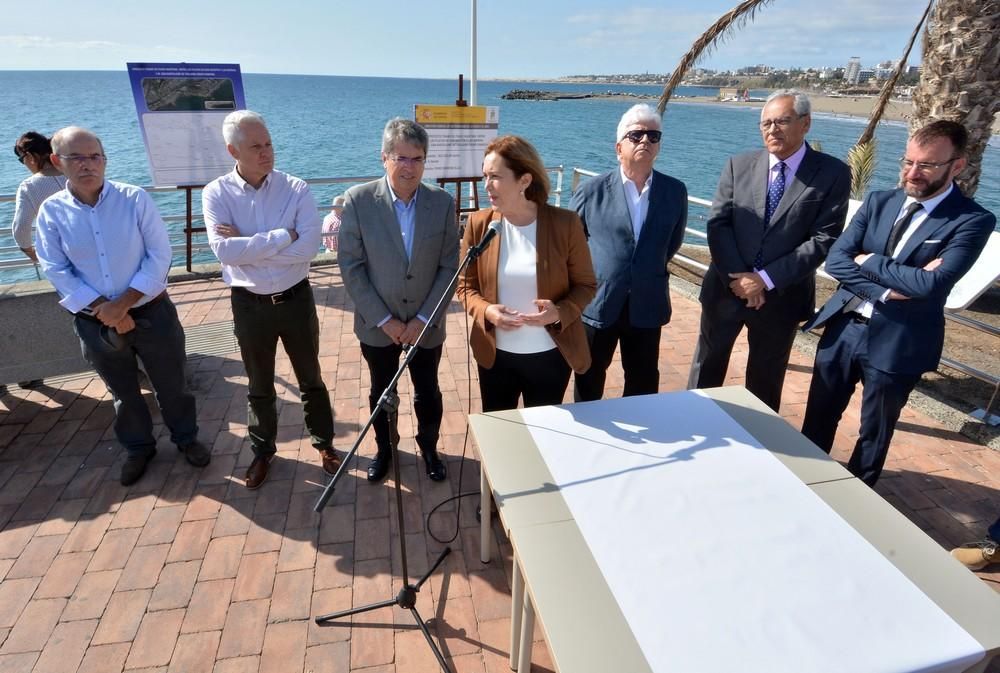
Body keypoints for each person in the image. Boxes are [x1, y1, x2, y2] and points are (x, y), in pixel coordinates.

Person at [800, 120, 995, 487]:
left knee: (874, 431)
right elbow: (838, 259)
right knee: (818, 415)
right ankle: (805, 481)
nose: (913, 173)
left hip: (900, 340)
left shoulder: (972, 220)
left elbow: (932, 283)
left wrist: (868, 260)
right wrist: (886, 290)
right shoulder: (879, 201)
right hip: (844, 327)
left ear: (957, 165)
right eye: (907, 162)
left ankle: (858, 496)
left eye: (927, 165)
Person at [34, 126, 209, 485]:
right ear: (56, 162)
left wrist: (124, 304)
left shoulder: (134, 198)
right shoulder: (51, 212)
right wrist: (105, 309)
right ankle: (138, 447)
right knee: (122, 392)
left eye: (95, 156)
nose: (88, 165)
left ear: (104, 159)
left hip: (151, 312)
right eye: (76, 157)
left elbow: (160, 254)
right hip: (94, 320)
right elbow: (55, 268)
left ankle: (186, 439)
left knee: (172, 384)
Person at [687, 89, 851, 412]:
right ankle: (694, 423)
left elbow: (823, 239)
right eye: (766, 123)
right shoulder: (739, 165)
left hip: (782, 298)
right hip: (725, 291)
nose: (772, 130)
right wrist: (740, 280)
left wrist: (764, 279)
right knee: (704, 371)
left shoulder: (832, 174)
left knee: (765, 383)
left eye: (782, 121)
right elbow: (719, 225)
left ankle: (758, 445)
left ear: (806, 124)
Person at [203, 110, 337, 490]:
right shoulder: (216, 193)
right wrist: (283, 236)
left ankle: (324, 444)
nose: (266, 153)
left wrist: (249, 246)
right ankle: (263, 452)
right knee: (258, 383)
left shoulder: (296, 188)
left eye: (269, 144)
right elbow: (223, 252)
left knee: (311, 377)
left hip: (296, 299)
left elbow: (309, 248)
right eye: (256, 147)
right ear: (233, 150)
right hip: (249, 304)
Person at [338, 118, 458, 484]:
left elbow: (449, 265)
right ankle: (385, 449)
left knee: (427, 391)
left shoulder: (441, 202)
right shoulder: (358, 201)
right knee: (381, 392)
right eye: (401, 158)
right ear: (384, 157)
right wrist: (384, 320)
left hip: (426, 323)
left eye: (417, 159)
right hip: (378, 324)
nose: (409, 167)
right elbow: (352, 266)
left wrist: (424, 318)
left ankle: (429, 447)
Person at [458, 135, 596, 413]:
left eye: (495, 176)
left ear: (524, 180)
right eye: (485, 175)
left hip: (549, 356)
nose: (486, 186)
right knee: (501, 433)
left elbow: (586, 285)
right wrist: (487, 312)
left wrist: (559, 312)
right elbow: (464, 286)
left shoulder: (565, 224)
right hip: (495, 356)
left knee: (544, 434)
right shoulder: (478, 224)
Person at [571, 104, 687, 401]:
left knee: (644, 379)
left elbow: (671, 243)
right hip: (599, 303)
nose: (645, 141)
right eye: (636, 135)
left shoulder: (675, 192)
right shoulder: (591, 190)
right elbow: (571, 244)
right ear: (619, 146)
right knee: (589, 374)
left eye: (653, 135)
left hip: (648, 302)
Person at [12, 131, 67, 262]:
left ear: (30, 156)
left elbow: (21, 227)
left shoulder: (28, 187)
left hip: (59, 254)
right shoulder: (73, 173)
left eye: (21, 159)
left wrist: (30, 252)